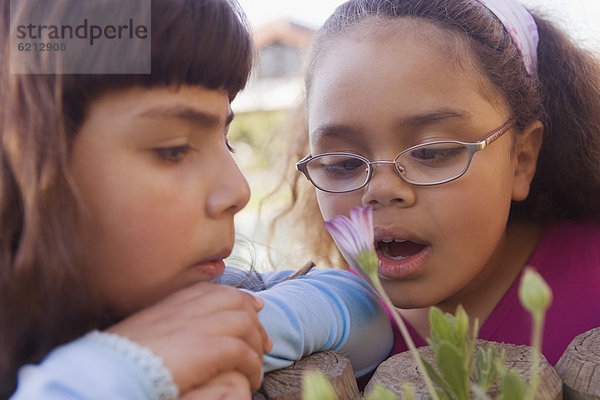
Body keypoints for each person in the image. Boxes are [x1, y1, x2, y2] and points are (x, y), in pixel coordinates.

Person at [0, 0, 392, 398]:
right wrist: (122, 369)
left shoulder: (198, 293)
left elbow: (362, 309)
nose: (239, 190)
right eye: (174, 149)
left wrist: (225, 329)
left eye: (226, 141)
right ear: (22, 168)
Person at [278, 0, 600, 366]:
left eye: (432, 153)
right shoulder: (324, 322)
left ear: (521, 159)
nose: (381, 189)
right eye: (343, 164)